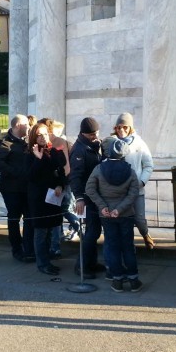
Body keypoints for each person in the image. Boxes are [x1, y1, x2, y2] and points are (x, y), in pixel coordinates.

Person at [85, 136, 141, 292]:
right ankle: (133, 280)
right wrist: (120, 209)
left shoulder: (98, 169)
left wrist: (103, 206)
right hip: (125, 214)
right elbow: (133, 193)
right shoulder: (130, 171)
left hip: (106, 214)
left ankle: (117, 280)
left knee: (113, 246)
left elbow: (90, 189)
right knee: (128, 247)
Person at [25, 121, 67, 275]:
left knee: (50, 229)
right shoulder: (30, 154)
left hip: (52, 197)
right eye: (39, 135)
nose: (42, 137)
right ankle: (42, 263)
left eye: (44, 134)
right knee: (41, 232)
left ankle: (48, 259)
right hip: (38, 198)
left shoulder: (54, 151)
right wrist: (38, 158)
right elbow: (31, 177)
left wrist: (60, 185)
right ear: (33, 137)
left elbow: (60, 172)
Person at [0, 114, 35, 262]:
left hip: (27, 188)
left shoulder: (28, 142)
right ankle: (16, 249)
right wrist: (17, 173)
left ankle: (29, 248)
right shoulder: (4, 143)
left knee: (30, 219)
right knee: (14, 219)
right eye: (26, 125)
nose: (29, 127)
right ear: (18, 125)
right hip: (11, 189)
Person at [112, 113, 155, 249]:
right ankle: (129, 249)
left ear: (130, 127)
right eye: (119, 127)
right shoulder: (111, 142)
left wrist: (141, 182)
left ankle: (145, 234)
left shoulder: (139, 143)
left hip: (136, 189)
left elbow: (148, 165)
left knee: (139, 219)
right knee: (124, 222)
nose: (121, 130)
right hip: (118, 191)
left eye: (125, 127)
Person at [69, 116, 105, 278]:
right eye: (92, 134)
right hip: (87, 196)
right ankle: (81, 266)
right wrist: (79, 197)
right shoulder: (79, 149)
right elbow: (75, 176)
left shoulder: (91, 145)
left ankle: (90, 263)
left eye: (96, 133)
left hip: (94, 194)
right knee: (91, 232)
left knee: (94, 231)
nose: (95, 136)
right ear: (84, 134)